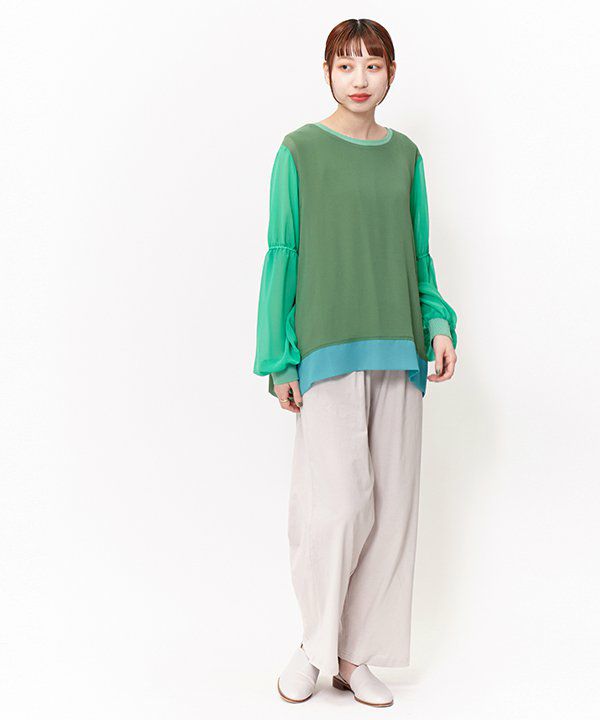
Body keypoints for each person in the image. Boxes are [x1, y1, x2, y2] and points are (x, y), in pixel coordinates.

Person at [253, 17, 458, 708]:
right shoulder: (300, 151)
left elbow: (417, 252)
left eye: (373, 65)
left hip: (398, 346)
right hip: (325, 349)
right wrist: (280, 359)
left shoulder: (406, 157)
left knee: (390, 512)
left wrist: (437, 323)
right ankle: (314, 647)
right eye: (346, 65)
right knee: (337, 507)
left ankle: (355, 655)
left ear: (391, 73)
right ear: (327, 72)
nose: (360, 78)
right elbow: (282, 254)